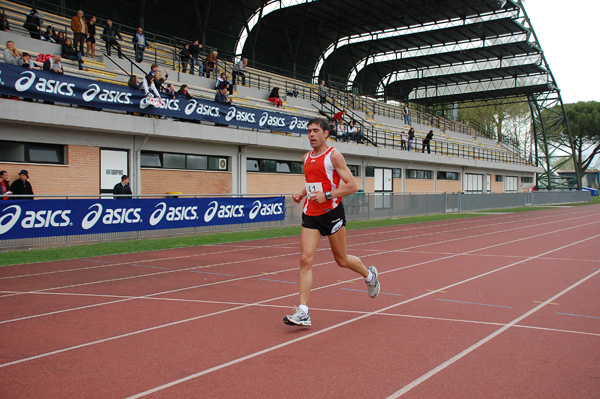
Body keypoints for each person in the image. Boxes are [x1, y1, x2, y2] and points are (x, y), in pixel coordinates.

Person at [283, 117, 380, 327]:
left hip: (332, 212)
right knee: (305, 259)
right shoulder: (306, 157)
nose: (311, 134)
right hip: (311, 213)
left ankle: (369, 275)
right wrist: (301, 193)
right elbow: (311, 182)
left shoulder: (334, 155)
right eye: (309, 131)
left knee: (342, 260)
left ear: (326, 133)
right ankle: (303, 311)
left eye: (316, 131)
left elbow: (352, 186)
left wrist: (327, 195)